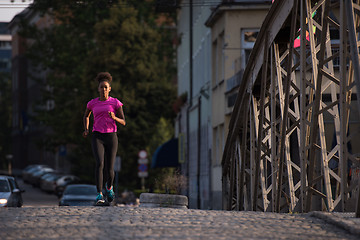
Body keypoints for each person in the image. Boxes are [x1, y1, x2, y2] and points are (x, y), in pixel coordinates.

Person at [82, 72, 126, 204]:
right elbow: (86, 116)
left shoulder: (115, 102)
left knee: (110, 168)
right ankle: (99, 194)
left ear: (110, 89)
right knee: (100, 164)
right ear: (98, 89)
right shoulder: (92, 103)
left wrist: (114, 118)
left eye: (106, 87)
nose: (104, 89)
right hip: (97, 136)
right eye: (101, 87)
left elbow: (124, 121)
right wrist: (86, 129)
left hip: (111, 136)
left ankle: (109, 187)